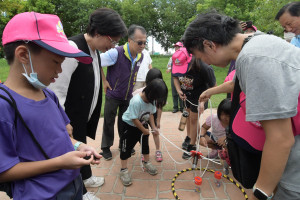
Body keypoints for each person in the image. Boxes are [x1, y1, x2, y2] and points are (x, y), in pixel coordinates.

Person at [183, 11, 300, 200]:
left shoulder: (254, 58)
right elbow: (238, 82)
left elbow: (280, 139)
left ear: (209, 45)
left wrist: (260, 193)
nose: (204, 62)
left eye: (200, 56)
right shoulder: (256, 41)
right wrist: (211, 91)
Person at [0, 12, 102, 200]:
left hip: (73, 184)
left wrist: (79, 146)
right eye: (56, 62)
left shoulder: (48, 94)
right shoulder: (4, 106)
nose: (60, 70)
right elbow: (4, 171)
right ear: (23, 55)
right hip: (40, 194)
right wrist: (59, 163)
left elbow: (62, 137)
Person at [48, 8, 127, 200]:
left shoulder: (94, 49)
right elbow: (55, 92)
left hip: (82, 114)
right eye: (113, 40)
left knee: (81, 145)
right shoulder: (72, 48)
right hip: (69, 116)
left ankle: (86, 177)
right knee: (71, 154)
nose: (113, 45)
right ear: (98, 32)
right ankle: (81, 193)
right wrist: (61, 123)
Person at [100, 25, 147, 160]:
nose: (142, 45)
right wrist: (104, 81)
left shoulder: (140, 56)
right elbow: (96, 61)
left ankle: (124, 144)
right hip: (113, 94)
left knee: (125, 121)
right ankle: (105, 148)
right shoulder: (116, 52)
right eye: (140, 42)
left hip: (127, 95)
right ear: (130, 40)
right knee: (109, 120)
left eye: (145, 42)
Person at [119, 78, 168, 186]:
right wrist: (144, 130)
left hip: (142, 124)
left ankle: (147, 162)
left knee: (145, 146)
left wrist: (154, 127)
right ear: (151, 94)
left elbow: (150, 114)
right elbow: (133, 118)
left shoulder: (152, 100)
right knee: (125, 148)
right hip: (129, 125)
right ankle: (123, 170)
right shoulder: (136, 101)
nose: (157, 101)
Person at [173, 57, 216, 159]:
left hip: (200, 96)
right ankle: (189, 137)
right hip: (187, 95)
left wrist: (203, 101)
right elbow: (175, 77)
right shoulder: (177, 62)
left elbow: (213, 87)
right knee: (188, 116)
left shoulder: (205, 68)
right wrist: (179, 90)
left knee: (193, 119)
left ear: (190, 62)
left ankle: (192, 146)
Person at [132, 68, 164, 162]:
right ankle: (144, 152)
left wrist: (157, 121)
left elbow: (159, 107)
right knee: (143, 133)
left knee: (155, 131)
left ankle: (158, 150)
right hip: (141, 116)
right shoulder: (139, 92)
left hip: (152, 114)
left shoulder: (160, 91)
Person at [166, 42, 184, 113]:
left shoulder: (184, 57)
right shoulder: (172, 57)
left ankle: (182, 107)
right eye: (175, 47)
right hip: (173, 76)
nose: (176, 48)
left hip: (182, 76)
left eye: (178, 47)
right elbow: (170, 65)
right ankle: (175, 107)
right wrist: (169, 69)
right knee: (174, 92)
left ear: (181, 48)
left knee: (181, 91)